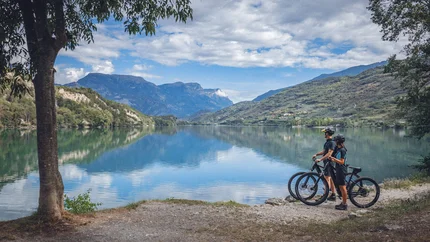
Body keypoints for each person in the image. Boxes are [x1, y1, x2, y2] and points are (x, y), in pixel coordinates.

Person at [312, 127, 337, 201]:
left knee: (327, 179)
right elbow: (324, 151)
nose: (324, 134)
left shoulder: (332, 142)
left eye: (325, 133)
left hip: (330, 163)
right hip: (327, 162)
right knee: (331, 179)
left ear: (328, 133)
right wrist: (316, 154)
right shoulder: (327, 142)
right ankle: (333, 195)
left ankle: (324, 197)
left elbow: (329, 153)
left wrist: (320, 159)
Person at [329, 134, 348, 210]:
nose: (335, 142)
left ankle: (344, 204)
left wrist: (333, 159)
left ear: (338, 142)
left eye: (336, 141)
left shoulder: (342, 150)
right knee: (340, 186)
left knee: (342, 187)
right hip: (338, 169)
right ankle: (343, 202)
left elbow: (342, 162)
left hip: (341, 169)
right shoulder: (338, 148)